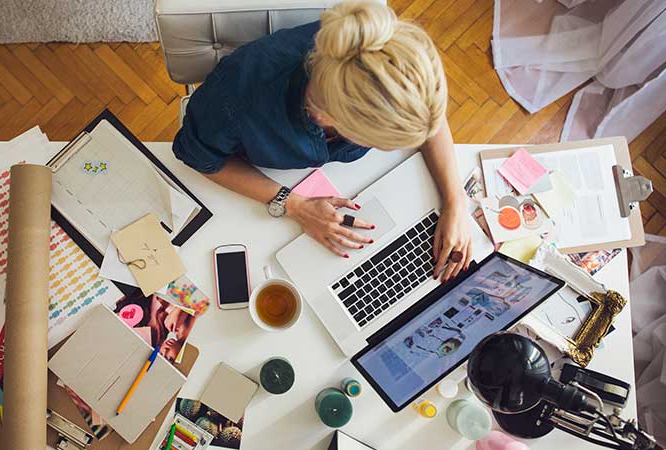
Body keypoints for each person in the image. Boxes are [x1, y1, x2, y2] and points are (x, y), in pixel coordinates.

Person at [173, 1, 471, 281]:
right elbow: (199, 156)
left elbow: (427, 120)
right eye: (378, 142)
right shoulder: (236, 97)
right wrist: (294, 205)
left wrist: (455, 202)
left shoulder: (382, 62)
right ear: (331, 120)